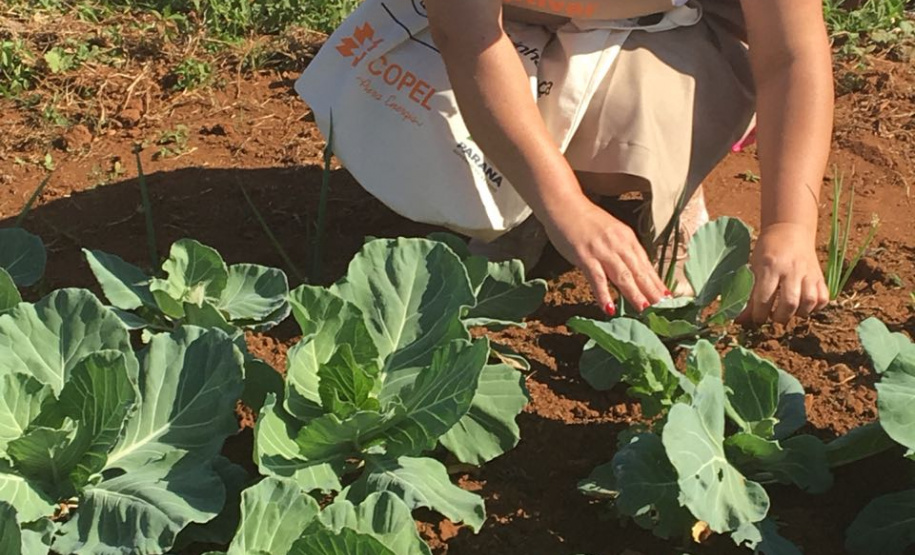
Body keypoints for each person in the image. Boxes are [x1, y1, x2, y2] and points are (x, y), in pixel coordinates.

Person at [424, 0, 833, 324]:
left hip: (665, 26)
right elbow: (464, 36)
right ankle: (521, 192)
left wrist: (789, 225)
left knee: (617, 144)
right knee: (417, 124)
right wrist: (564, 205)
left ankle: (674, 184)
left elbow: (789, 54)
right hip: (498, 25)